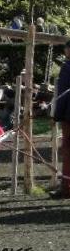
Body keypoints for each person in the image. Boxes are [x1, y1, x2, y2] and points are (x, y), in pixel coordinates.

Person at [52, 40, 70, 198]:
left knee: (68, 151)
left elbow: (63, 94)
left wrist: (57, 115)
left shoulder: (67, 67)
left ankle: (67, 187)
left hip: (69, 117)